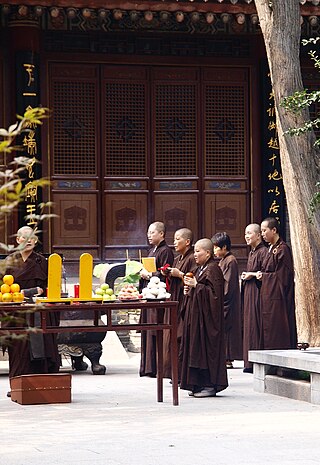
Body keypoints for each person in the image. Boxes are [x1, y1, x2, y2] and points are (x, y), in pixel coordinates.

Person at [3, 226, 60, 393]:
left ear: (35, 241)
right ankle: (16, 385)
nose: (28, 241)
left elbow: (44, 288)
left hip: (36, 308)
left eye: (31, 239)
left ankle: (42, 384)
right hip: (15, 309)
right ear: (17, 240)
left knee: (42, 343)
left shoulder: (41, 261)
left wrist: (26, 292)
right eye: (24, 238)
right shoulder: (9, 261)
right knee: (19, 349)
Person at [179, 238, 228, 398]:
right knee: (195, 350)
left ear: (208, 253)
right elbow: (199, 290)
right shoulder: (200, 269)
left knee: (205, 352)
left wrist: (196, 286)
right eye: (194, 251)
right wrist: (189, 291)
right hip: (197, 320)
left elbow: (215, 297)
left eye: (198, 251)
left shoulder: (213, 269)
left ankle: (209, 385)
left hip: (207, 323)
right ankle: (197, 384)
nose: (195, 254)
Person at [139, 221, 174, 377]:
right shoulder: (152, 250)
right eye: (148, 232)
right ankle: (148, 367)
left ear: (162, 234)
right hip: (149, 295)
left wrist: (151, 275)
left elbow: (165, 272)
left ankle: (155, 367)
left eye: (152, 232)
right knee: (148, 329)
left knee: (155, 330)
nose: (149, 235)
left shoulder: (165, 251)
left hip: (158, 296)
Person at [256, 217, 297, 350]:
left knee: (278, 329)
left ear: (274, 230)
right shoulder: (271, 248)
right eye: (261, 231)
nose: (262, 234)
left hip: (279, 299)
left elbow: (283, 277)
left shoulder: (282, 249)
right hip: (269, 297)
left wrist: (265, 277)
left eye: (264, 230)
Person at [162, 228, 196, 380]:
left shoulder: (191, 258)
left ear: (187, 242)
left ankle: (182, 373)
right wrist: (168, 273)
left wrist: (180, 274)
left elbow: (194, 280)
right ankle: (172, 372)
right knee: (171, 336)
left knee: (180, 337)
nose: (174, 242)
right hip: (174, 301)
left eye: (177, 239)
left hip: (185, 303)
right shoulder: (177, 259)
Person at [211, 232, 243, 369]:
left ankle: (228, 358)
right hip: (223, 301)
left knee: (228, 330)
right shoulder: (223, 260)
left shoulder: (231, 261)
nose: (214, 251)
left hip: (228, 302)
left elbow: (227, 285)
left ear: (224, 247)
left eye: (216, 248)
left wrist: (219, 296)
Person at [241, 223, 268, 373]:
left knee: (255, 325)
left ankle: (255, 361)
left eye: (249, 233)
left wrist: (250, 275)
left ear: (258, 235)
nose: (246, 236)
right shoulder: (252, 252)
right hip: (249, 291)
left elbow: (263, 274)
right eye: (245, 233)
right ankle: (248, 362)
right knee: (249, 325)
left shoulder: (263, 252)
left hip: (257, 292)